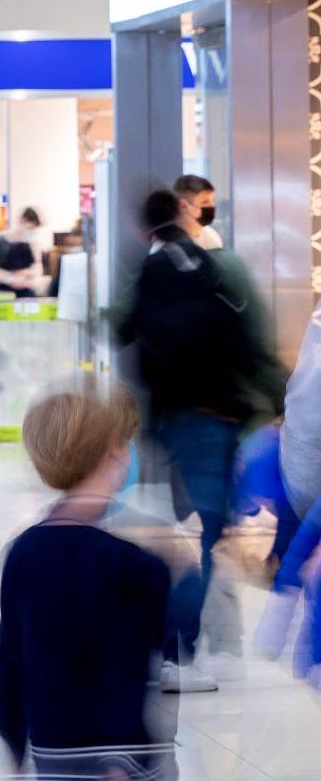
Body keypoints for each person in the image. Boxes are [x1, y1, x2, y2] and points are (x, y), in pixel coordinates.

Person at [111, 188, 284, 693]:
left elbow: (120, 328)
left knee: (190, 532)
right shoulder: (222, 266)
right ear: (185, 213)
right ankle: (180, 652)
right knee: (204, 538)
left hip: (168, 417)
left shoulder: (148, 269)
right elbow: (255, 339)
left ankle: (192, 647)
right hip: (217, 415)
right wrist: (279, 398)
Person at [0, 389, 176, 781]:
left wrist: (13, 740)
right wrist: (119, 759)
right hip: (122, 757)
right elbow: (130, 668)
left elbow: (11, 657)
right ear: (113, 454)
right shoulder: (134, 563)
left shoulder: (22, 552)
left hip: (51, 748)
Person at [0, 207, 47, 297]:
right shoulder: (1, 242)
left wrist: (28, 273)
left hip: (27, 294)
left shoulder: (31, 244)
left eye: (33, 230)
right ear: (21, 221)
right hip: (4, 294)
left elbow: (37, 266)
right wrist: (9, 278)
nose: (31, 232)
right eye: (30, 228)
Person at [175, 174, 222, 251]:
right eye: (205, 202)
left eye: (212, 200)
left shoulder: (212, 237)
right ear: (184, 206)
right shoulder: (167, 243)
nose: (212, 206)